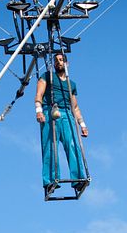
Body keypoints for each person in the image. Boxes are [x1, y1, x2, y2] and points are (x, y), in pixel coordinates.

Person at [34, 53, 89, 195]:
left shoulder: (72, 84)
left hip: (67, 115)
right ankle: (50, 181)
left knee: (73, 145)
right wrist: (39, 111)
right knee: (50, 147)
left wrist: (82, 124)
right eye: (56, 60)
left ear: (66, 63)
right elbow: (39, 95)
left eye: (61, 60)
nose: (59, 62)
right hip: (50, 111)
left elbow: (75, 107)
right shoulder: (47, 76)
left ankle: (78, 179)